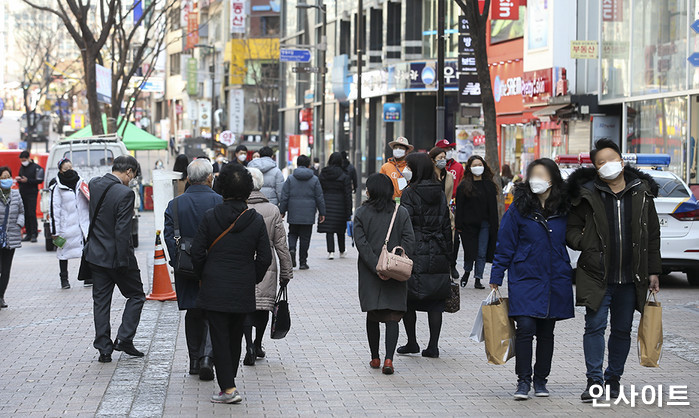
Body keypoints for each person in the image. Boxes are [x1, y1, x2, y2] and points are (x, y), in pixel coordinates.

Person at [566, 138, 661, 402]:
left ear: (622, 160)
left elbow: (652, 234)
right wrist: (583, 242)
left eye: (612, 159)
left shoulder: (641, 191)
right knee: (594, 327)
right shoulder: (586, 194)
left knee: (621, 330)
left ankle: (613, 379)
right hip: (597, 274)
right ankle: (594, 380)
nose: (608, 165)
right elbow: (571, 230)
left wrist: (653, 271)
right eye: (601, 162)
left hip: (632, 277)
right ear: (595, 168)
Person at [490, 158, 574, 400]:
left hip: (554, 277)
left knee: (547, 332)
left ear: (553, 178)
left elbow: (577, 235)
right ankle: (523, 381)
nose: (537, 179)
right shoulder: (519, 208)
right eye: (533, 174)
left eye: (542, 174)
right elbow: (505, 244)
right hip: (525, 276)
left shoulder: (565, 209)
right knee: (525, 328)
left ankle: (541, 380)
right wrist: (496, 275)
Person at [191, 163, 272, 404]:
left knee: (219, 337)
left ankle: (228, 389)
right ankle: (229, 384)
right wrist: (251, 277)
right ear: (248, 190)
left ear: (221, 187)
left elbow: (197, 253)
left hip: (215, 288)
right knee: (235, 337)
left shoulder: (210, 217)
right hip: (242, 288)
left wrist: (204, 274)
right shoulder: (255, 220)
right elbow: (265, 258)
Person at [163, 159, 222, 381]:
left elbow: (169, 236)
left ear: (188, 178)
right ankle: (208, 356)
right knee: (213, 311)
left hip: (185, 265)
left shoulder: (175, 204)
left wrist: (176, 260)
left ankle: (194, 360)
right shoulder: (219, 201)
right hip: (214, 264)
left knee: (193, 311)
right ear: (209, 177)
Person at [85, 156, 145, 363]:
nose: (132, 180)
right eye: (133, 176)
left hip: (96, 255)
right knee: (136, 295)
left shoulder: (94, 184)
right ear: (129, 171)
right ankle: (124, 338)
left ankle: (104, 349)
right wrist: (123, 262)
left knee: (101, 302)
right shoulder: (125, 193)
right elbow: (122, 230)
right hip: (117, 256)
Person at [354, 173, 415, 374]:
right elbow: (409, 240)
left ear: (371, 191)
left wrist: (376, 266)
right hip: (396, 272)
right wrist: (395, 263)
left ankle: (374, 357)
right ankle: (389, 359)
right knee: (393, 315)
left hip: (370, 272)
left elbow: (361, 244)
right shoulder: (401, 212)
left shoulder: (361, 213)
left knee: (373, 313)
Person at [397, 153, 452, 358]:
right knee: (435, 301)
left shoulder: (409, 193)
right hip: (437, 248)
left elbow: (405, 224)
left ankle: (412, 342)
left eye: (409, 166)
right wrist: (449, 255)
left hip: (415, 248)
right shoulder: (439, 191)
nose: (406, 170)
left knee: (409, 298)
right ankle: (433, 346)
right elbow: (446, 225)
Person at [243, 168, 293, 366]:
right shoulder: (272, 210)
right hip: (267, 263)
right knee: (263, 307)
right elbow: (281, 244)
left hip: (244, 261)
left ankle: (247, 344)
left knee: (246, 306)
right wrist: (286, 272)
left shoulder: (240, 207)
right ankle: (257, 343)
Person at [455, 155, 499, 289]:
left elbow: (493, 207)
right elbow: (460, 207)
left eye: (480, 164)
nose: (477, 167)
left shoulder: (489, 185)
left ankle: (478, 278)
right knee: (470, 252)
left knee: (481, 252)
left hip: (485, 224)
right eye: (474, 165)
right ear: (469, 168)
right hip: (468, 226)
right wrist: (459, 225)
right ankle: (467, 272)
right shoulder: (464, 186)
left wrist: (495, 225)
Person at [278, 155, 326, 270]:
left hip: (294, 212)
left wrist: (282, 211)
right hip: (308, 214)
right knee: (305, 237)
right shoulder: (314, 179)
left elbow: (284, 196)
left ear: (297, 164)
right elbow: (319, 197)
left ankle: (292, 249)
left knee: (292, 233)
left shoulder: (290, 178)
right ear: (309, 165)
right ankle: (303, 262)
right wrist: (322, 212)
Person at [50, 158, 89, 290]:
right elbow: (54, 209)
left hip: (82, 224)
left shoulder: (81, 182)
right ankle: (64, 279)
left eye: (70, 168)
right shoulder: (57, 187)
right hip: (66, 226)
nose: (69, 171)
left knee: (86, 250)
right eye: (66, 169)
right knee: (63, 252)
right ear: (60, 170)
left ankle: (88, 276)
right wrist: (55, 231)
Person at [318, 152, 353, 260]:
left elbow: (319, 191)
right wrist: (349, 212)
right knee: (340, 228)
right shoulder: (344, 175)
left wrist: (320, 207)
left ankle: (331, 251)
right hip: (340, 204)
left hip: (327, 202)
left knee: (329, 229)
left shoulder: (323, 173)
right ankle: (342, 251)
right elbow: (348, 195)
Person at [0, 167, 24, 310]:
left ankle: (1, 296)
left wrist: (18, 224)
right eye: (3, 177)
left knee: (6, 269)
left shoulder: (16, 194)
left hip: (12, 236)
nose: (6, 180)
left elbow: (22, 211)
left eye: (8, 176)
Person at [17, 150, 44, 242]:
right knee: (25, 214)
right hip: (23, 192)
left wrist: (28, 180)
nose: (23, 162)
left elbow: (39, 180)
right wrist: (19, 179)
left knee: (31, 213)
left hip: (32, 193)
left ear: (29, 158)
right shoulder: (22, 168)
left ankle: (33, 234)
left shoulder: (36, 168)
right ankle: (28, 233)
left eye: (24, 160)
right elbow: (20, 176)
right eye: (21, 160)